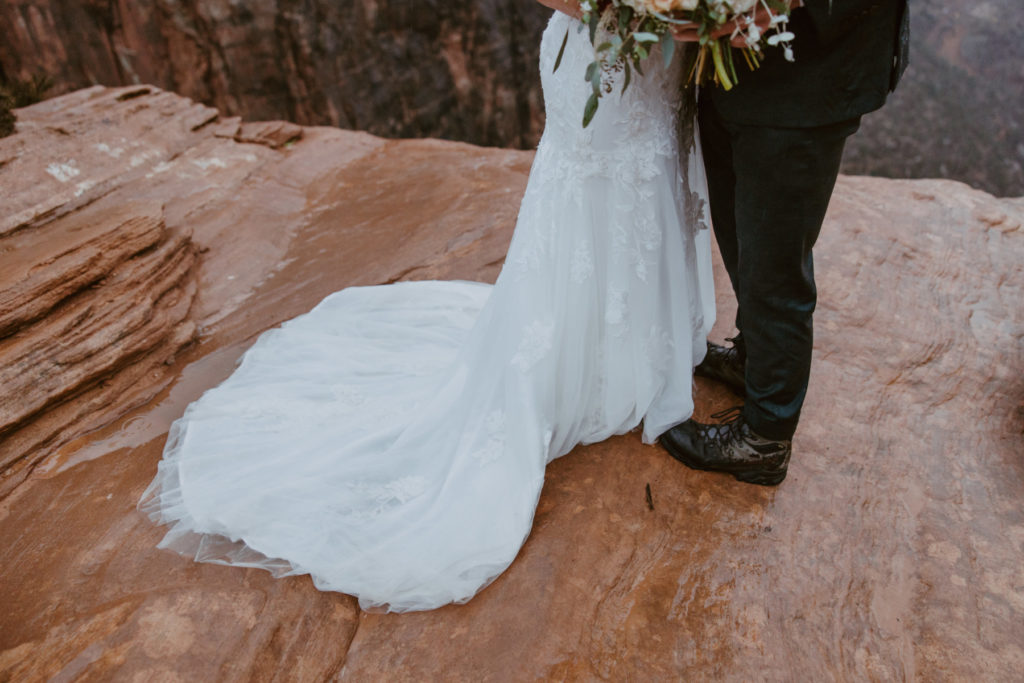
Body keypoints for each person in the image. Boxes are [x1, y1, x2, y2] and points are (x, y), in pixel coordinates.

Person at [140, 3, 715, 612]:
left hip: (659, 62)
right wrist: (624, 8)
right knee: (592, 197)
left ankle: (630, 350)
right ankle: (577, 360)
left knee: (647, 191)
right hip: (602, 57)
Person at [660, 0, 909, 485]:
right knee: (741, 239)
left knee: (775, 268)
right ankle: (756, 361)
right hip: (730, 70)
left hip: (808, 78)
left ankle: (765, 439)